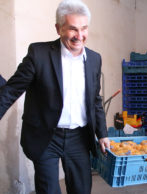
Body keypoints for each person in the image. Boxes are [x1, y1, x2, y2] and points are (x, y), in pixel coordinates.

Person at [0, 0, 110, 193]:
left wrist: (102, 133)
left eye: (84, 28)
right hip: (46, 136)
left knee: (81, 189)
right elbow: (11, 90)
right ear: (58, 29)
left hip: (79, 137)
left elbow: (95, 100)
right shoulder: (39, 54)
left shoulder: (94, 59)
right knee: (48, 190)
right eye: (72, 29)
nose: (79, 36)